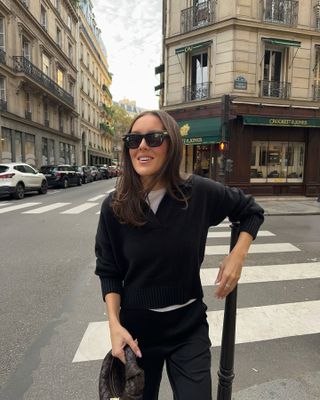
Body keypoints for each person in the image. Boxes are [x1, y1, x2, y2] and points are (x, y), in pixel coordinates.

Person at [95, 110, 264, 400]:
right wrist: (114, 325)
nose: (142, 146)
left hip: (188, 328)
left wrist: (237, 254)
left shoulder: (197, 193)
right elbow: (108, 270)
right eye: (134, 140)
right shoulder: (115, 205)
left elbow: (250, 211)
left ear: (171, 144)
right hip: (136, 333)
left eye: (154, 138)